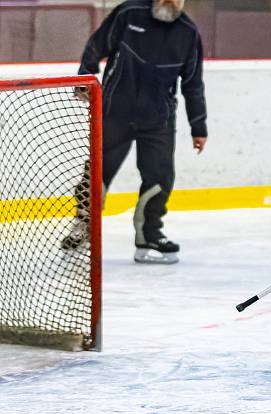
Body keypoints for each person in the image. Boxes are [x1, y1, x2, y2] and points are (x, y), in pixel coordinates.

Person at [63, 0, 207, 264]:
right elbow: (96, 46)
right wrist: (85, 77)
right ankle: (84, 224)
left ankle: (149, 234)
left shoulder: (188, 32)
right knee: (97, 171)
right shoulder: (129, 13)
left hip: (158, 120)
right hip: (114, 112)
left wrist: (199, 127)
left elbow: (193, 83)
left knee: (160, 177)